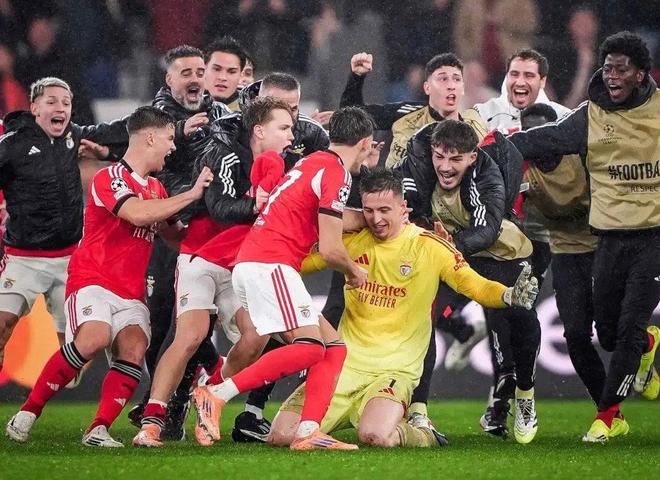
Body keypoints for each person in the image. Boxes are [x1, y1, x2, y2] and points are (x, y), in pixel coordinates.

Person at [269, 168, 538, 448]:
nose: (376, 219)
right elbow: (296, 263)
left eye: (384, 210)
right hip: (342, 368)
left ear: (403, 207)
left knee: (376, 436)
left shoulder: (430, 247)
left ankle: (424, 434)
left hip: (393, 371)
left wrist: (508, 295)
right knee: (281, 435)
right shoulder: (349, 242)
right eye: (369, 211)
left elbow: (475, 285)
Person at [5, 106, 214, 447]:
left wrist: (213, 230)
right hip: (94, 279)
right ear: (150, 138)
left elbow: (174, 236)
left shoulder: (158, 189)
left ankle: (98, 428)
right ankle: (28, 411)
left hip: (131, 290)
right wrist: (191, 194)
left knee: (134, 347)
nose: (173, 146)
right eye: (169, 138)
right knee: (94, 338)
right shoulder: (111, 177)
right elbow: (135, 213)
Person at [191, 107, 374, 451]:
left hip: (259, 263)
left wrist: (369, 218)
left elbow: (331, 218)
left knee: (333, 349)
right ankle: (216, 393)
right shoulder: (336, 172)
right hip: (271, 265)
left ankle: (308, 431)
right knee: (310, 348)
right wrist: (354, 271)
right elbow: (331, 249)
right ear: (365, 143)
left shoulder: (313, 162)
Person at [509, 31, 660, 442]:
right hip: (605, 239)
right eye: (607, 68)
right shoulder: (590, 116)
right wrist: (492, 148)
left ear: (641, 74)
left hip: (651, 237)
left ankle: (608, 416)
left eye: (621, 69)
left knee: (626, 329)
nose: (611, 76)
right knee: (604, 334)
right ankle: (647, 345)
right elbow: (542, 140)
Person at [133, 97, 294, 447]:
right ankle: (152, 421)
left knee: (257, 336)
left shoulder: (281, 164)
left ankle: (210, 392)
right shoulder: (225, 154)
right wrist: (255, 205)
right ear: (259, 131)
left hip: (240, 266)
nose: (291, 136)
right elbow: (219, 207)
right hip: (202, 257)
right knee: (189, 337)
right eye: (284, 128)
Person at [401, 120, 541, 444]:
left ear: (472, 157)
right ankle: (418, 409)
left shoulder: (486, 177)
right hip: (454, 253)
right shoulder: (419, 161)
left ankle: (525, 394)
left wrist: (449, 244)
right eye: (440, 157)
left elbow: (487, 231)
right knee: (424, 317)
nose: (445, 167)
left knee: (520, 317)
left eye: (455, 159)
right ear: (431, 151)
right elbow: (402, 200)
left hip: (503, 254)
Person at [130, 44, 229, 439]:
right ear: (169, 79)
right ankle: (182, 388)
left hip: (205, 236)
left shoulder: (220, 116)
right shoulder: (155, 121)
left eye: (199, 72)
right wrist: (183, 142)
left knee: (191, 327)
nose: (194, 79)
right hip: (168, 233)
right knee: (158, 324)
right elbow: (151, 170)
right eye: (185, 73)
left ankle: (169, 407)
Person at [0, 77, 127, 378]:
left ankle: (50, 386)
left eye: (66, 103)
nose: (61, 108)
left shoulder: (75, 137)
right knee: (2, 324)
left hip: (70, 259)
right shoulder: (12, 145)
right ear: (34, 108)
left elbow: (118, 133)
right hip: (23, 257)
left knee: (79, 351)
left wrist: (167, 125)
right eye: (52, 102)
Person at [518, 103, 607, 409]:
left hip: (602, 247)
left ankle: (645, 345)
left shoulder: (582, 156)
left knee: (612, 331)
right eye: (527, 132)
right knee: (576, 336)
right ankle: (608, 409)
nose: (535, 138)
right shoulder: (521, 167)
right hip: (565, 251)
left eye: (542, 131)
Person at [340, 51, 488, 168]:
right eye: (443, 79)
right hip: (395, 194)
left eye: (456, 79)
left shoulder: (476, 127)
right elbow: (351, 117)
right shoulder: (406, 113)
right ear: (427, 87)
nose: (451, 86)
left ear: (462, 88)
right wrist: (356, 77)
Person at [204, 36, 249, 111]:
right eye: (217, 69)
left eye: (231, 72)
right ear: (204, 69)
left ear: (241, 75)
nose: (222, 77)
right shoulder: (186, 108)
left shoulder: (253, 113)